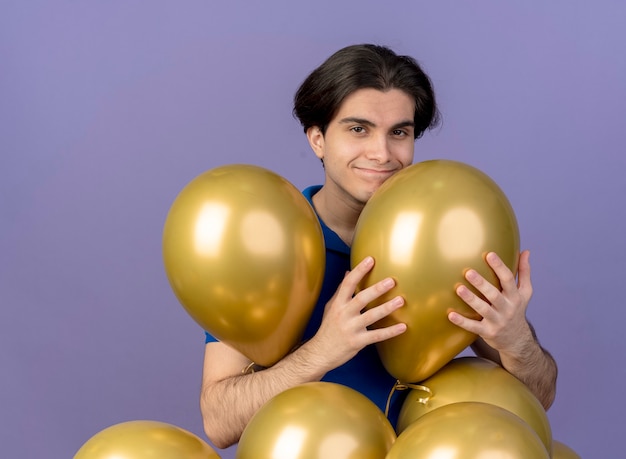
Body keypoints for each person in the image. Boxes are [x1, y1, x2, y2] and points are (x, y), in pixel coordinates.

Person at [199, 43, 558, 449]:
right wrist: (322, 350)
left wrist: (517, 341)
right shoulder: (270, 245)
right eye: (358, 129)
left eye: (399, 133)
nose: (381, 153)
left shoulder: (448, 239)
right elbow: (219, 422)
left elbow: (538, 398)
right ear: (317, 139)